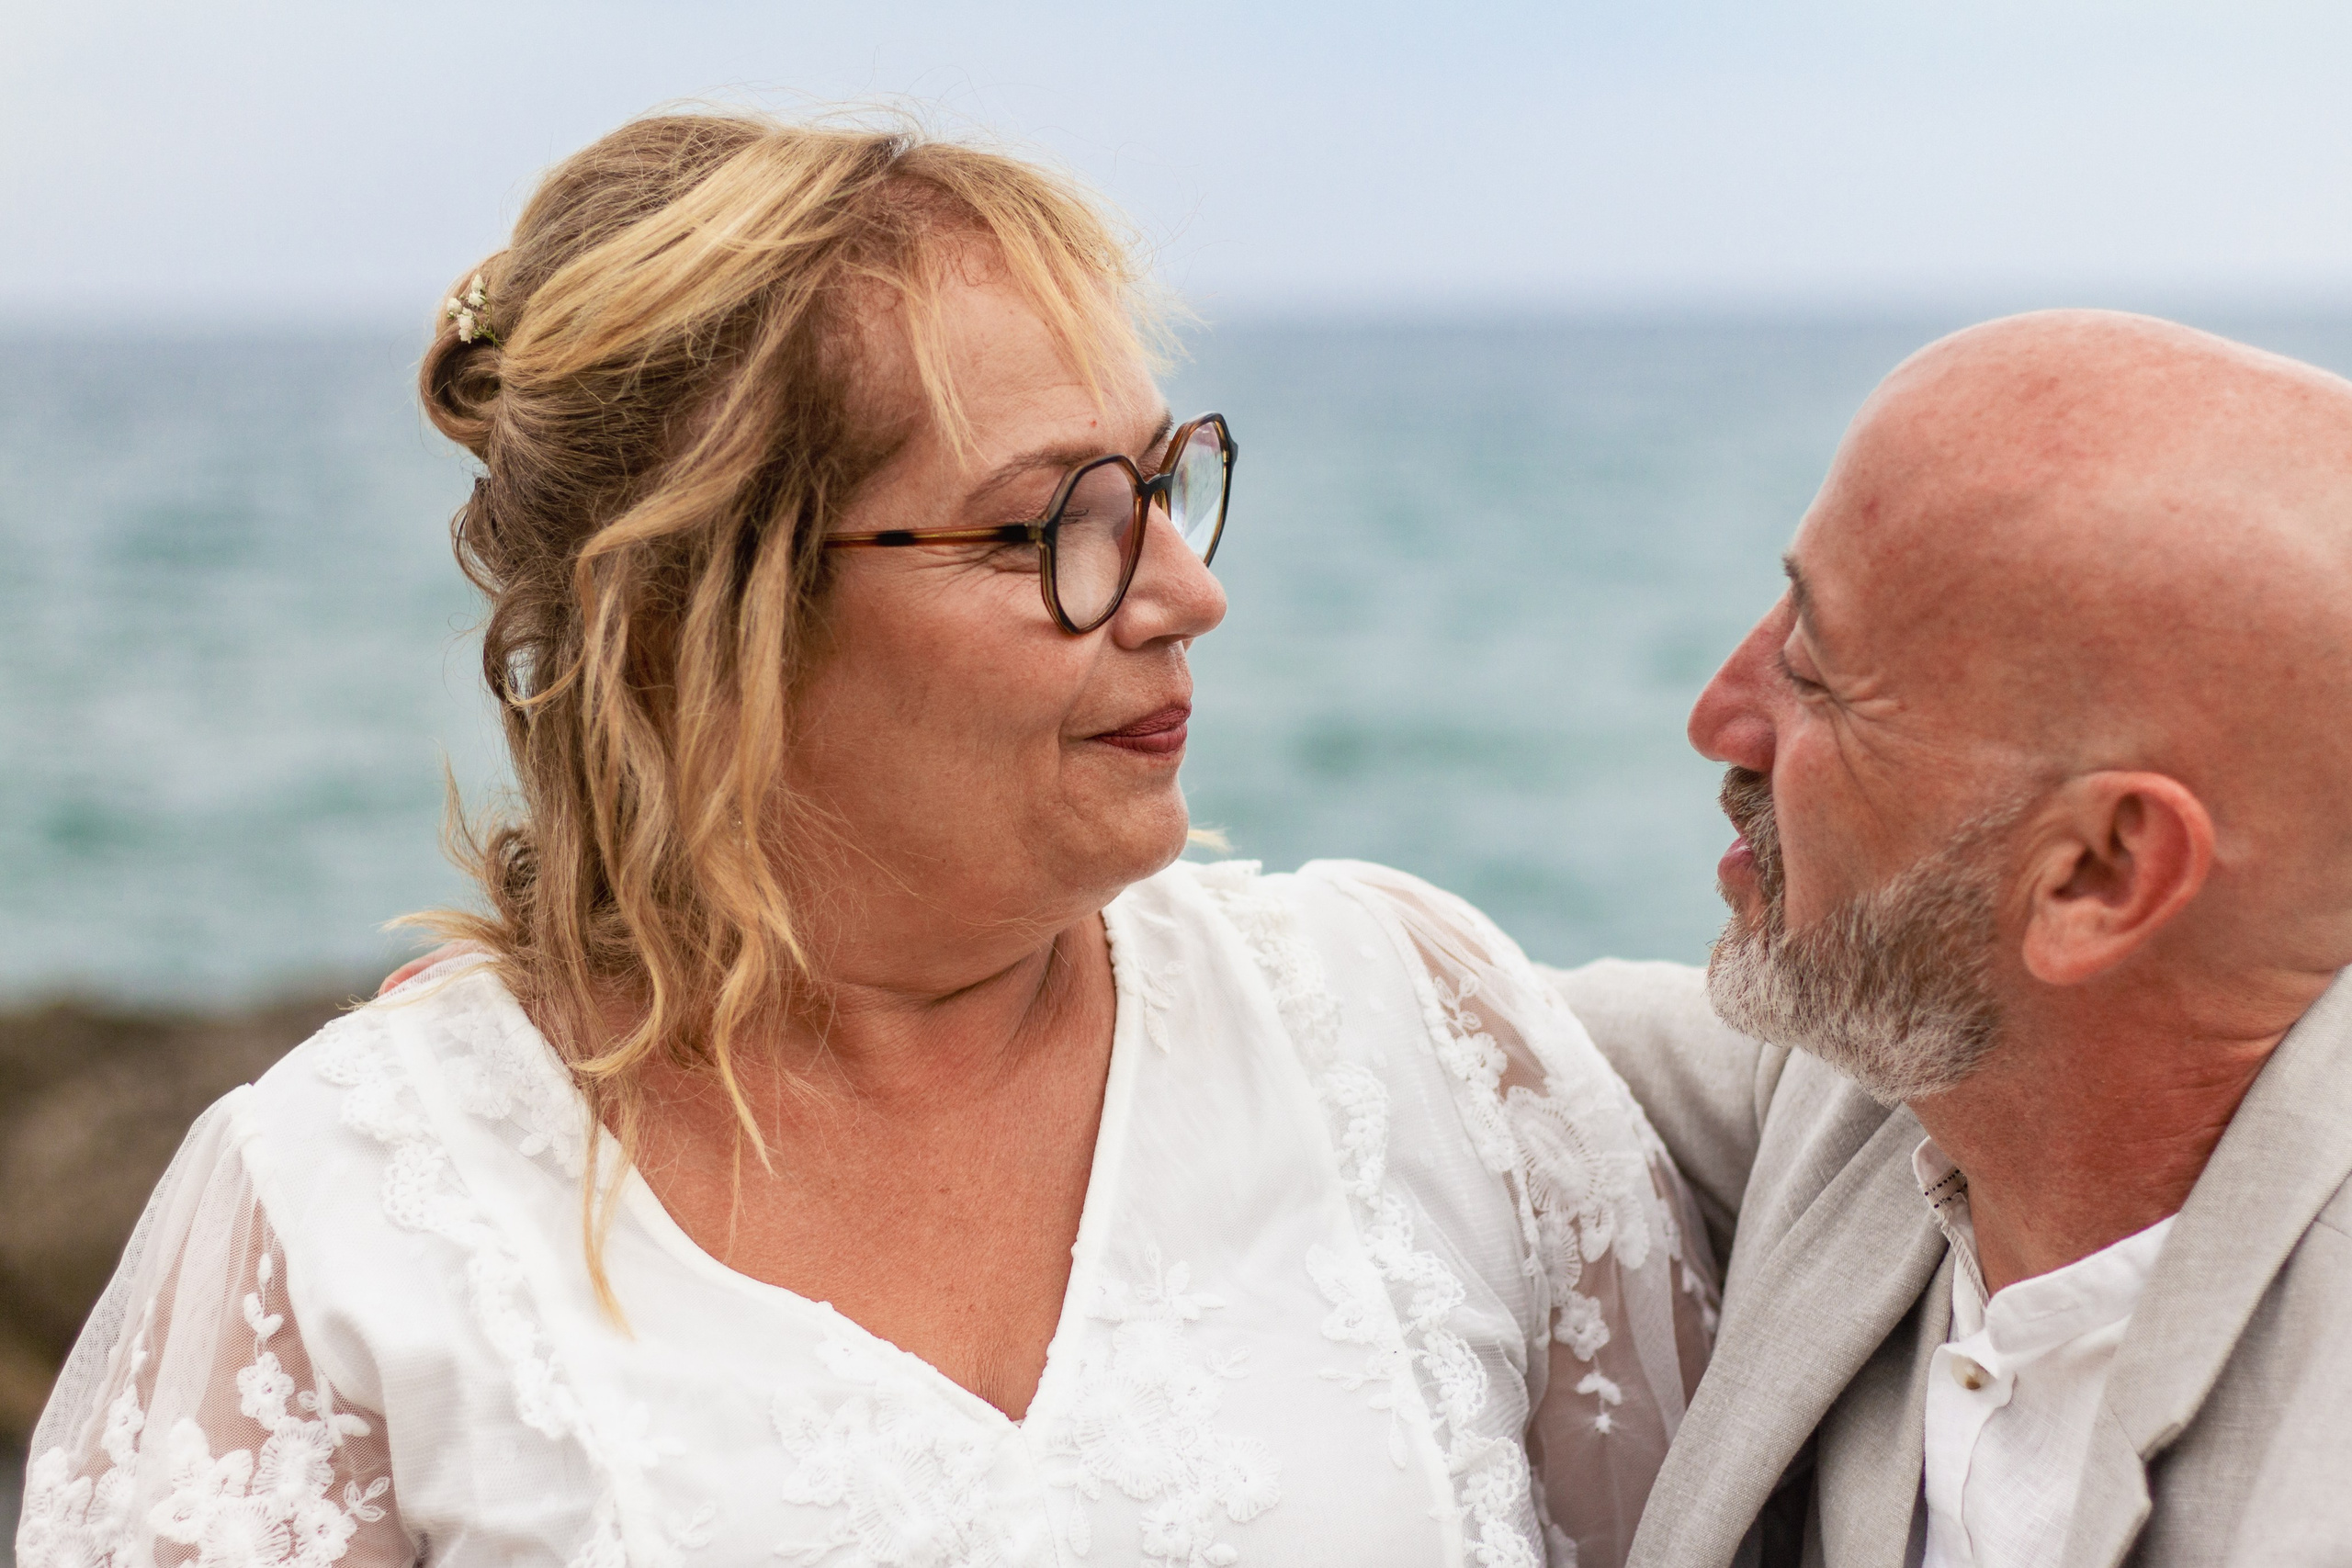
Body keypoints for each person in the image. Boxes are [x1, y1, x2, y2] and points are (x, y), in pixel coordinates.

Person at [17, 112, 1715, 1568]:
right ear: (699, 612)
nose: (1190, 595)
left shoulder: (1407, 1030)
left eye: (1166, 485)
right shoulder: (345, 1214)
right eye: (1055, 524)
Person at [1555, 310, 2352, 1566]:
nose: (1720, 716)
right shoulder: (1862, 1105)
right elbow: (1362, 999)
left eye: (1814, 672)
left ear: (2097, 876)